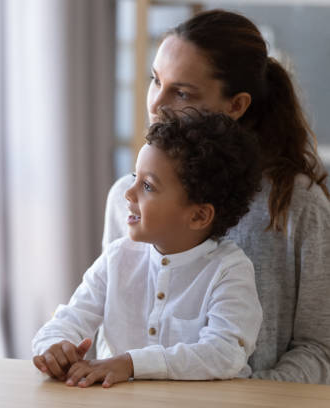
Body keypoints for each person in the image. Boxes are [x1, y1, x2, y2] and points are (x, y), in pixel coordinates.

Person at [102, 10, 330, 384]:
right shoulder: (125, 200)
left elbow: (320, 350)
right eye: (155, 80)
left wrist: (242, 397)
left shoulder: (296, 208)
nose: (156, 104)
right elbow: (109, 325)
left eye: (182, 92)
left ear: (236, 105)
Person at [32, 108, 263, 386]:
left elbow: (223, 353)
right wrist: (55, 346)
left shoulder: (229, 270)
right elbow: (70, 318)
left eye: (148, 186)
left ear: (199, 215)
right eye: (134, 177)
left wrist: (130, 363)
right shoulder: (118, 257)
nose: (128, 194)